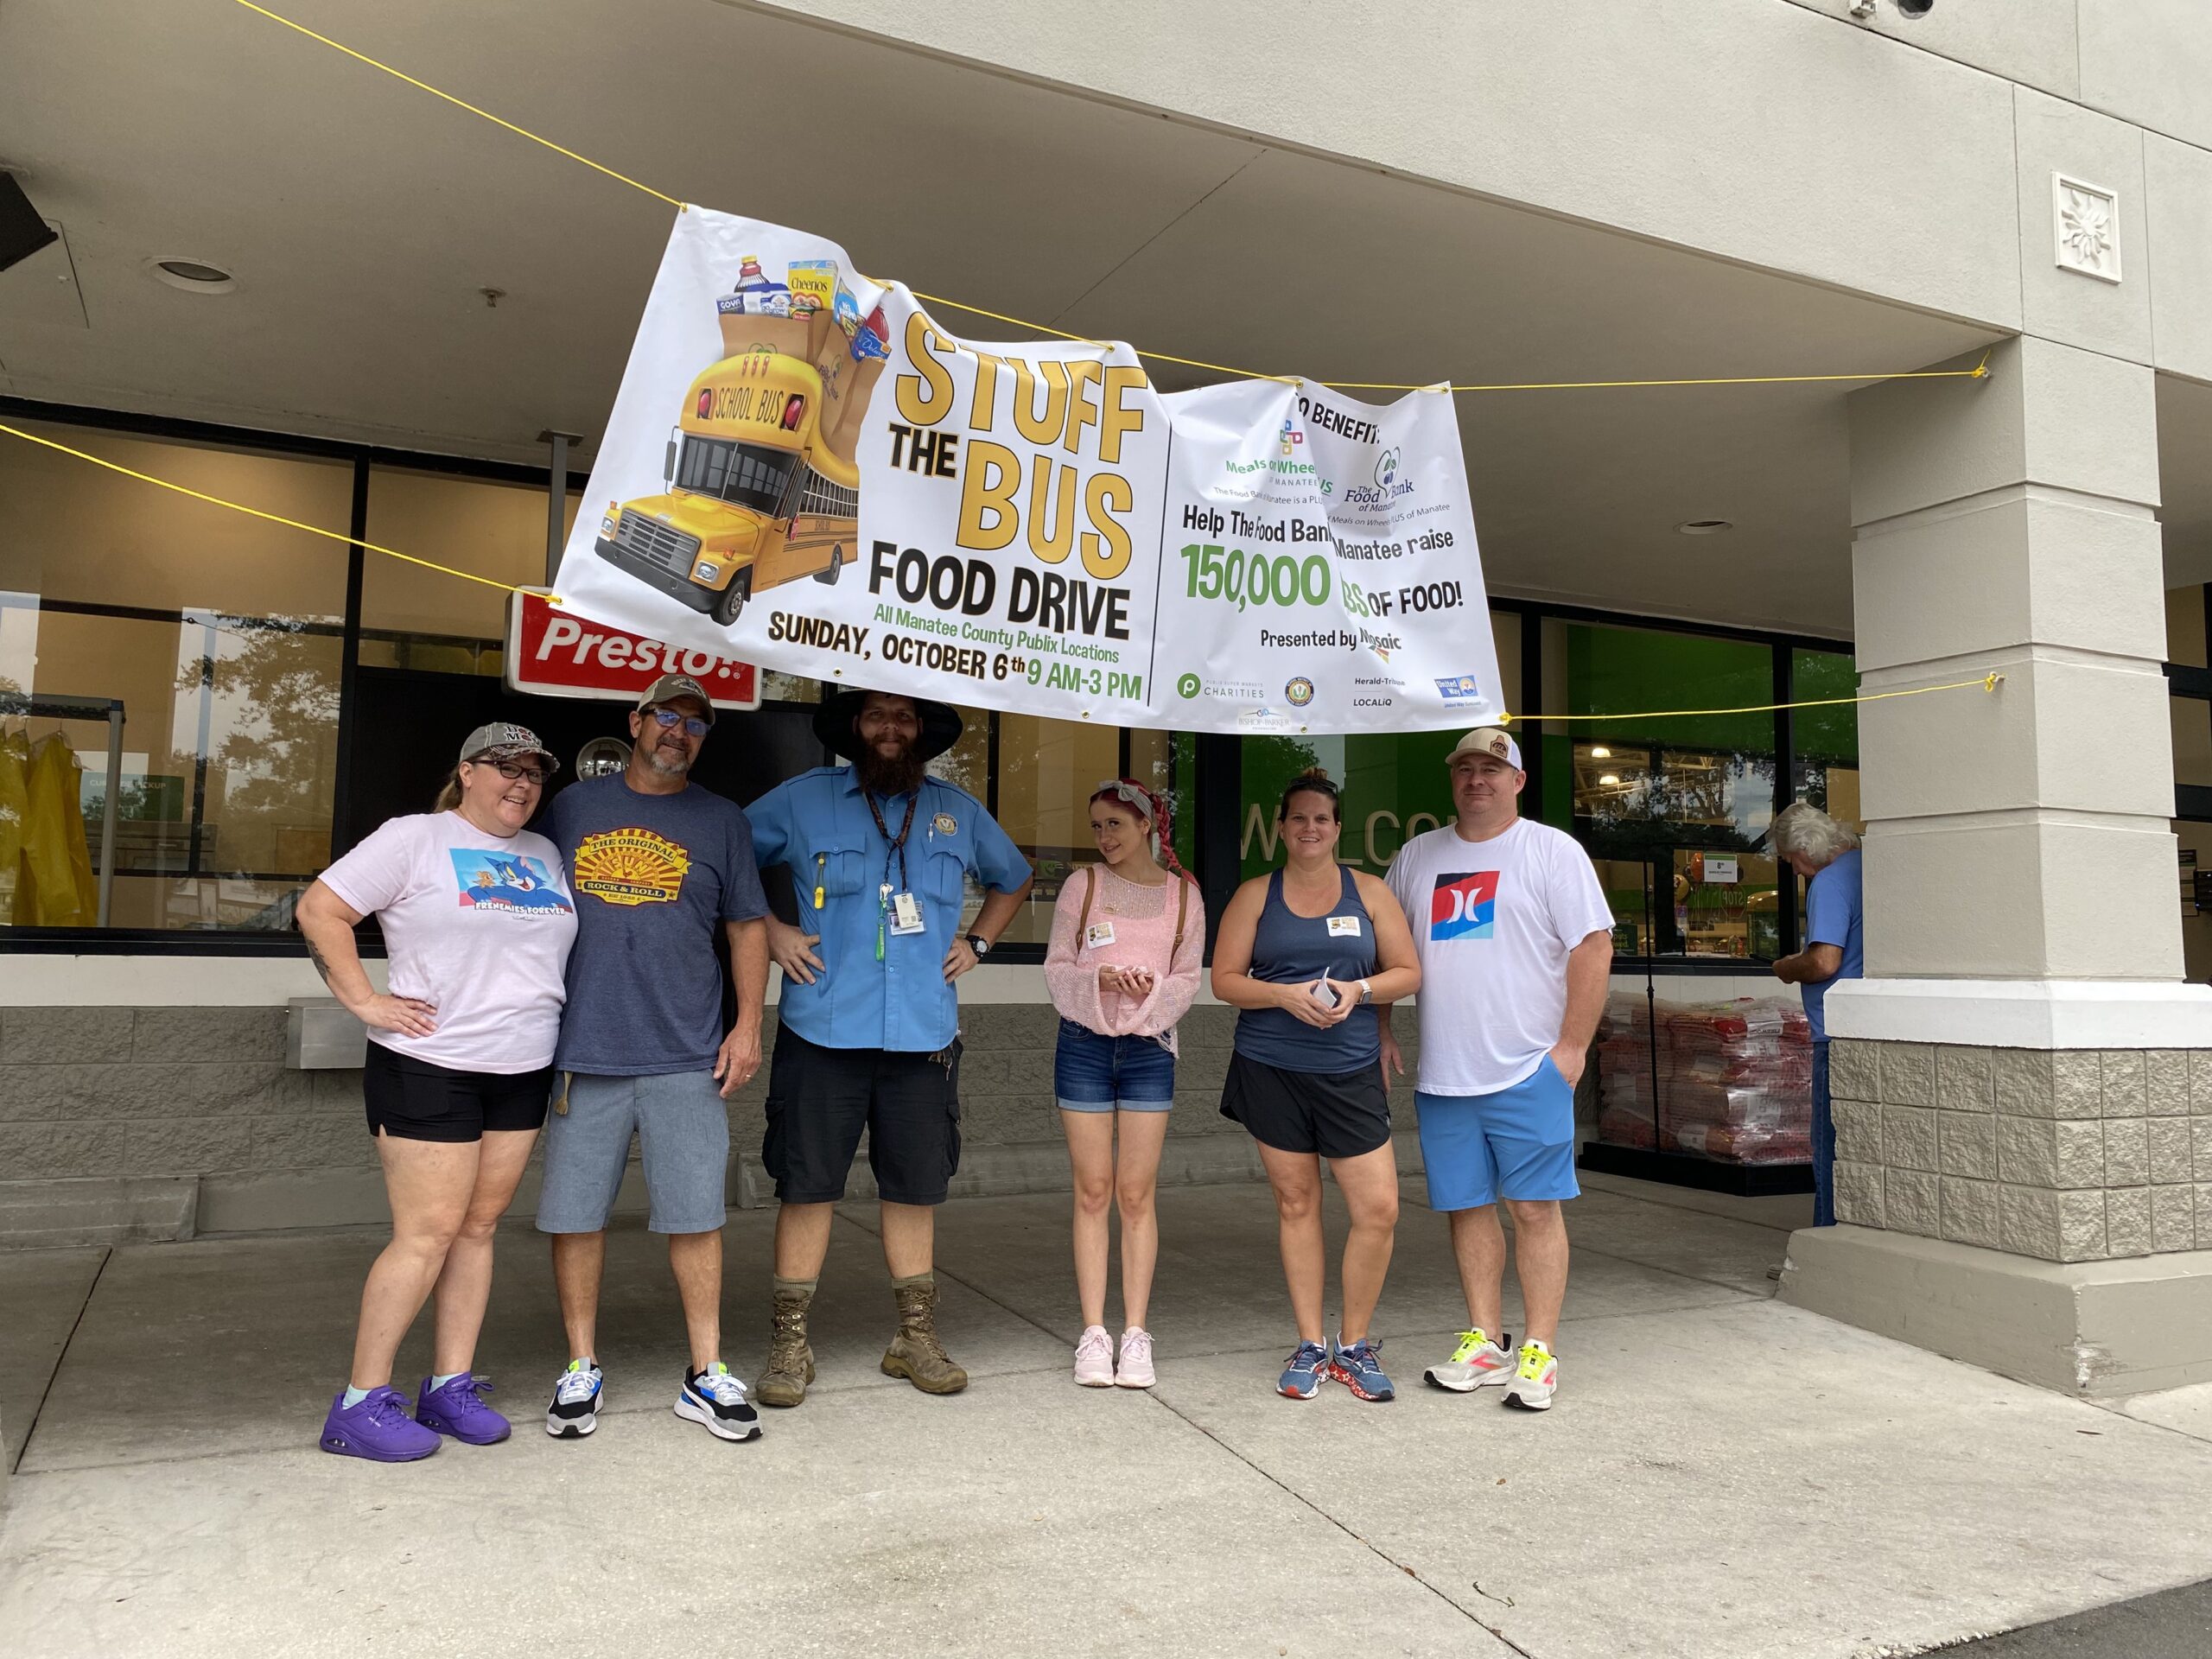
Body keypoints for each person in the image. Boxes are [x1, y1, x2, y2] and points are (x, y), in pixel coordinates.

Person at [746, 689, 1033, 1403]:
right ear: (855, 726)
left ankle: (914, 1338)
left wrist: (979, 942)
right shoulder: (803, 800)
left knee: (914, 1188)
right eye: (877, 715)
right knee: (807, 1186)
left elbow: (1014, 876)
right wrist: (772, 931)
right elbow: (726, 859)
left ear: (921, 730)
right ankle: (790, 1346)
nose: (890, 728)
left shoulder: (956, 811)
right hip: (823, 1028)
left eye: (903, 717)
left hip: (922, 1034)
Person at [299, 722, 576, 1462]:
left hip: (521, 1066)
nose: (521, 783)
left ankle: (449, 1386)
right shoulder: (414, 838)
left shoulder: (543, 853)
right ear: (467, 772)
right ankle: (359, 1403)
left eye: (534, 773)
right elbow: (321, 910)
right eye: (506, 768)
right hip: (431, 1064)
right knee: (425, 1234)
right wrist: (364, 1001)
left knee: (478, 1230)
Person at [534, 674, 770, 1444]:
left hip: (687, 1052)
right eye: (667, 716)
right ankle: (581, 1364)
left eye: (695, 724)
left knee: (696, 1215)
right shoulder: (573, 807)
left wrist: (747, 1027)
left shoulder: (722, 820)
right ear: (636, 722)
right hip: (585, 1048)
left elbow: (747, 926)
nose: (679, 732)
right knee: (575, 1217)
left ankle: (706, 1372)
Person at [1382, 728, 1614, 1414]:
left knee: (1534, 1208)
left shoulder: (1551, 850)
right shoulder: (1418, 856)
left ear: (1517, 781)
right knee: (1466, 1207)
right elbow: (1387, 948)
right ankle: (1486, 1341)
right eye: (1465, 768)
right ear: (1452, 779)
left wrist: (1571, 1049)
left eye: (1492, 768)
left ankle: (1539, 1349)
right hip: (1445, 1073)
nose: (1476, 779)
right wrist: (1381, 1025)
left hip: (1528, 1067)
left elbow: (1593, 947)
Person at [1211, 768, 1421, 1402]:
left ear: (1337, 828)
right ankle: (1310, 1345)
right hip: (1271, 1069)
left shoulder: (1369, 892)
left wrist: (1360, 990)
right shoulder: (1256, 894)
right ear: (1280, 827)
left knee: (1378, 1209)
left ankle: (1353, 1347)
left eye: (1321, 818)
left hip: (1350, 1071)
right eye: (1298, 817)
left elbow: (1408, 971)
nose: (1310, 827)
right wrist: (1282, 994)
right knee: (1297, 1204)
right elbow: (1224, 980)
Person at [1043, 779, 1205, 1389]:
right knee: (1093, 1190)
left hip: (1150, 1051)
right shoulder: (1082, 886)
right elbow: (1057, 966)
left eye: (1115, 824)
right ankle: (1093, 1332)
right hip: (1082, 1046)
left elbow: (1187, 979)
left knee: (1136, 1195)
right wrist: (1101, 980)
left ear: (1146, 825)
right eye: (1096, 826)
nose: (1104, 836)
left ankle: (1136, 1333)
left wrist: (1147, 997)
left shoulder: (1185, 898)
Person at [1770, 801, 1865, 1228]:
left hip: (1834, 1030)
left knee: (1827, 1147)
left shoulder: (1828, 882)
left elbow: (1824, 961)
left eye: (1791, 858)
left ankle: (1824, 1237)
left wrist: (1788, 967)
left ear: (1807, 847)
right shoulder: (1869, 867)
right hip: (1868, 1024)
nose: (1794, 870)